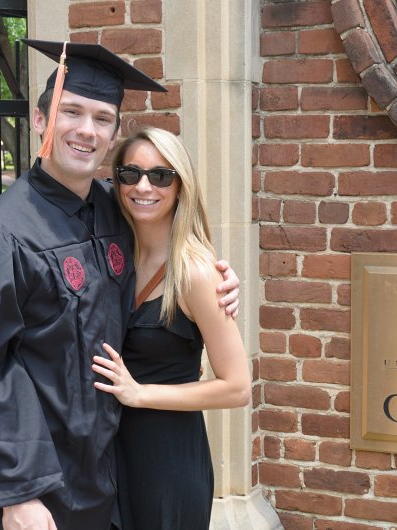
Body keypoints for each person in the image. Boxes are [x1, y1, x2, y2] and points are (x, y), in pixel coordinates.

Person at [0, 40, 240, 530]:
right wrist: (18, 495)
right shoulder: (0, 232)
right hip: (38, 487)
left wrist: (218, 276)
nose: (87, 130)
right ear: (40, 120)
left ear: (113, 135)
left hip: (105, 477)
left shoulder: (114, 207)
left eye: (102, 118)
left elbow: (172, 238)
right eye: (71, 112)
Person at [92, 128, 251, 529]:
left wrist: (140, 393)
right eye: (130, 173)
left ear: (181, 186)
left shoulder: (195, 272)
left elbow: (237, 388)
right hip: (113, 455)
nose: (144, 187)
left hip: (167, 462)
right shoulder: (112, 253)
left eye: (161, 176)